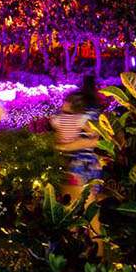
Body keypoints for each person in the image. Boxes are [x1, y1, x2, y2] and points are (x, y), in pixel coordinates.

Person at [49, 74, 103, 206]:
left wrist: (64, 146)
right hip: (94, 164)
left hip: (77, 164)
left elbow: (60, 138)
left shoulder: (77, 115)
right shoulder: (94, 112)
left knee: (74, 202)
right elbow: (96, 137)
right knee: (90, 201)